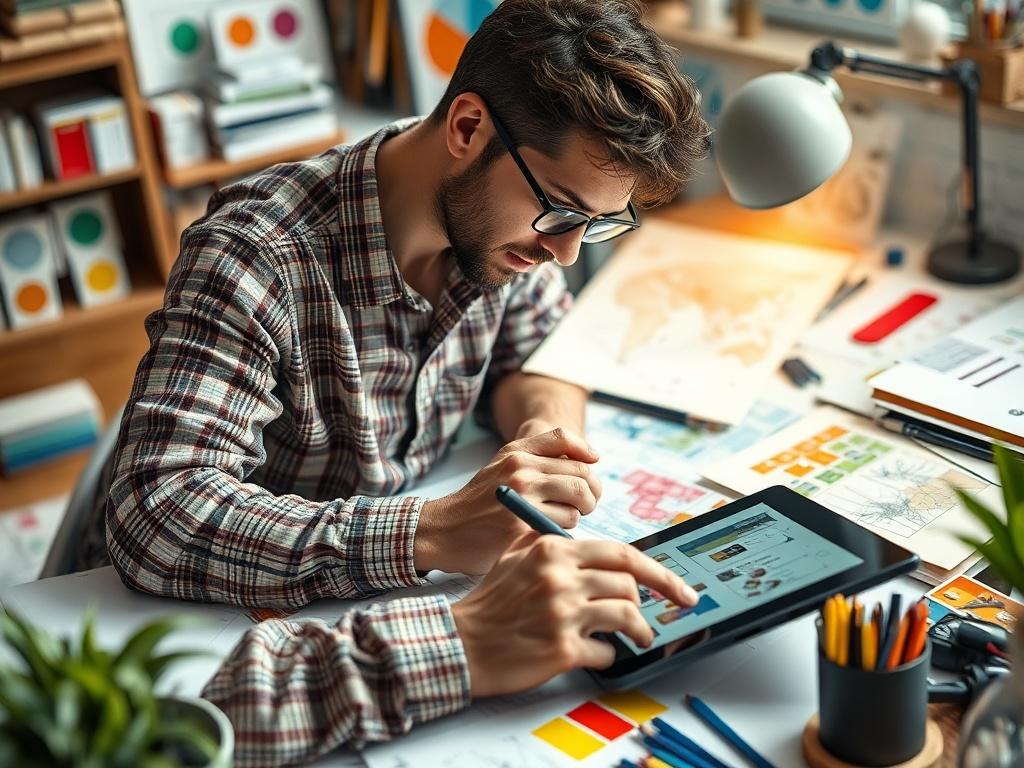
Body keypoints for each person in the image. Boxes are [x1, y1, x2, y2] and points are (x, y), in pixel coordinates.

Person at [94, 0, 709, 763]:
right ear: (467, 129)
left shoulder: (503, 227)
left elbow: (541, 351)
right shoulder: (256, 253)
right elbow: (156, 512)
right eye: (561, 213)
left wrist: (544, 441)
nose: (566, 253)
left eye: (599, 223)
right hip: (206, 639)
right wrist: (435, 529)